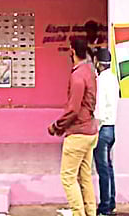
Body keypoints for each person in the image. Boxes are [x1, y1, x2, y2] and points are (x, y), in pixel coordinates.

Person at [48, 38, 98, 216]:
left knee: (68, 178)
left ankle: (78, 213)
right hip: (90, 131)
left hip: (78, 133)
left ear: (72, 51)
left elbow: (73, 109)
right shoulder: (89, 71)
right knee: (84, 177)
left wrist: (56, 126)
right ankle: (90, 212)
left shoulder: (78, 76)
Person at [93, 48, 119, 216]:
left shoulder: (101, 81)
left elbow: (100, 109)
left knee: (103, 170)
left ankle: (104, 208)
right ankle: (111, 202)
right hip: (112, 128)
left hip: (102, 129)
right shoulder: (113, 79)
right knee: (109, 168)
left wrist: (94, 129)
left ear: (97, 62)